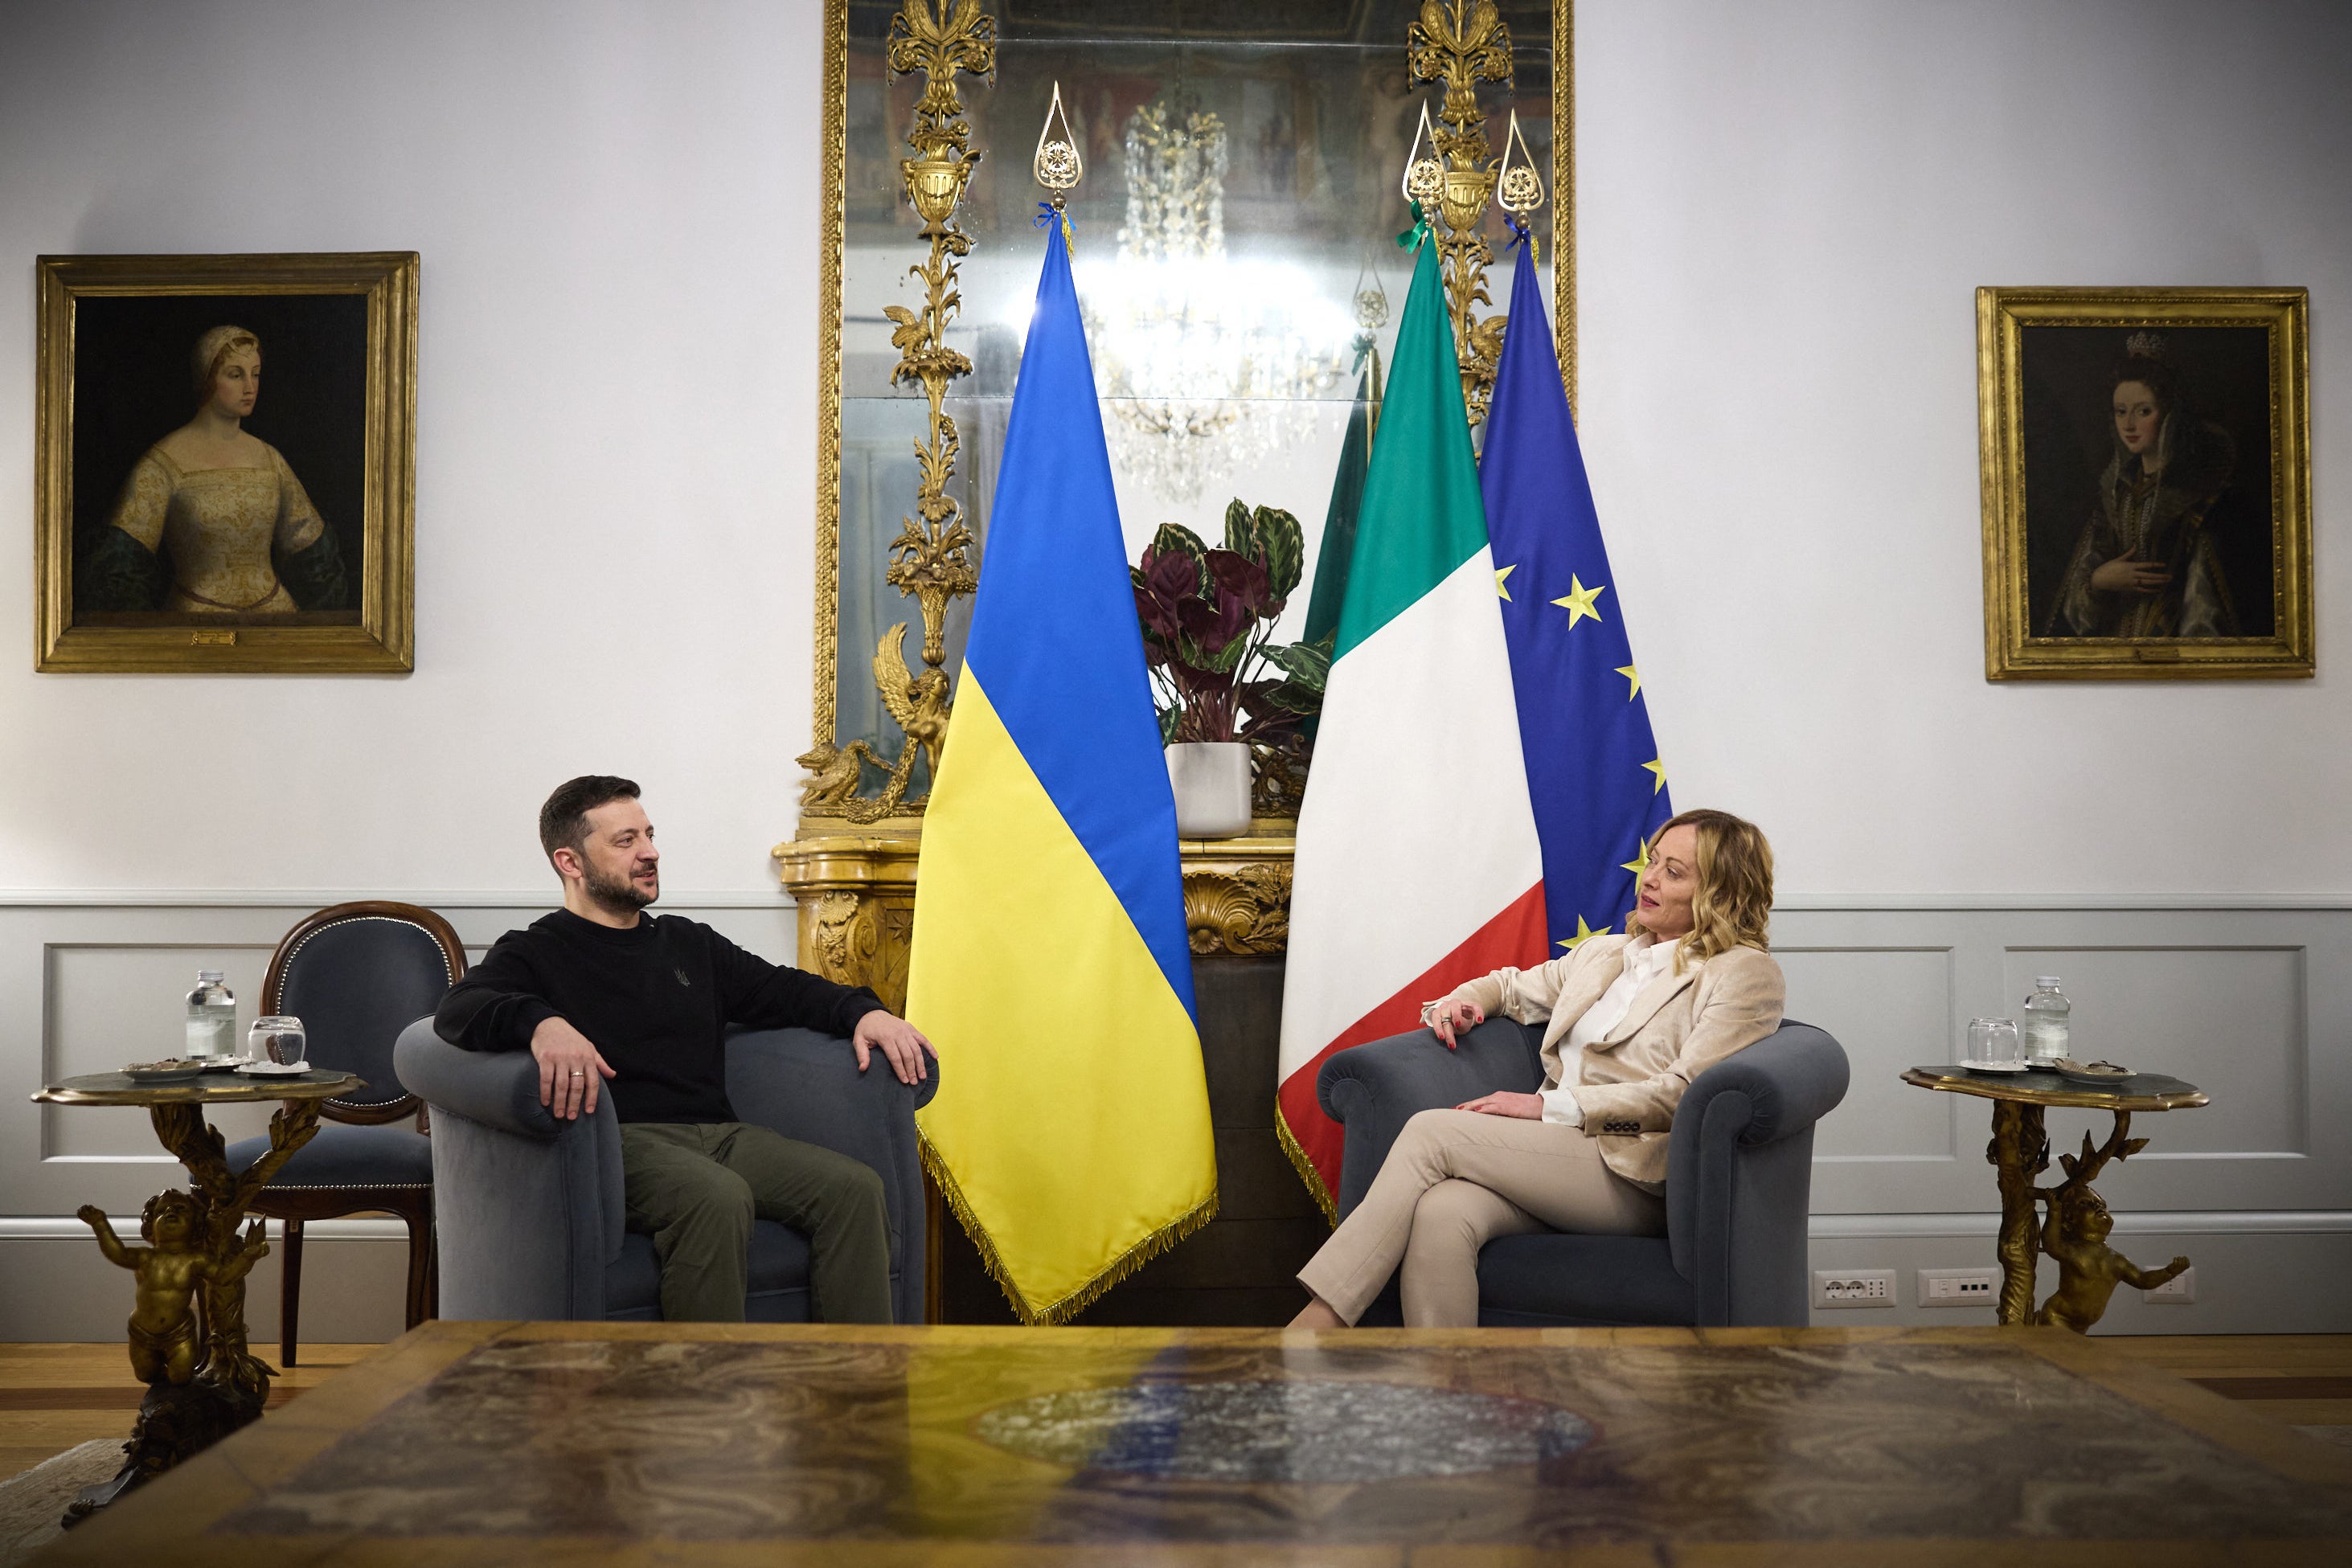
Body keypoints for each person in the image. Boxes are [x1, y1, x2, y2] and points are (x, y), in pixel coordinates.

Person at [435, 775, 935, 1324]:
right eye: (626, 841)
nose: (650, 852)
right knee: (715, 1198)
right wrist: (540, 1022)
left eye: (648, 835)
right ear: (570, 862)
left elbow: (786, 991)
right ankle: (700, 1401)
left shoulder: (689, 942)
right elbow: (459, 1009)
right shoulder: (536, 950)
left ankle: (858, 1391)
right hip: (619, 1141)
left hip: (721, 1135)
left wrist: (867, 1012)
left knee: (855, 1189)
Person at [1289, 808, 1783, 1329]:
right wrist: (1462, 999)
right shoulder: (1607, 953)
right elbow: (1510, 988)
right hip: (1550, 1159)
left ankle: (1319, 1324)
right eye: (1653, 860)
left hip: (1633, 1171)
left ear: (1721, 893)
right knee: (1443, 1211)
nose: (1650, 877)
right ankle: (1445, 1394)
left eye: (1675, 871)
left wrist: (1547, 1105)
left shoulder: (1743, 973)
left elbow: (1685, 1093)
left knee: (1432, 1133)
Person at [79, 324, 348, 615]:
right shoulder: (163, 463)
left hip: (276, 622)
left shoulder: (270, 459)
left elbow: (314, 554)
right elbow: (120, 568)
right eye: (235, 375)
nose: (250, 387)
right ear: (207, 379)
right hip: (194, 625)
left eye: (255, 374)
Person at [2047, 337, 2240, 639]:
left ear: (2169, 415)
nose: (2129, 425)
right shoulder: (2115, 495)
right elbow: (2075, 612)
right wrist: (2098, 580)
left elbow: (2205, 611)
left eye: (2143, 411)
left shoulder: (2202, 498)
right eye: (2120, 411)